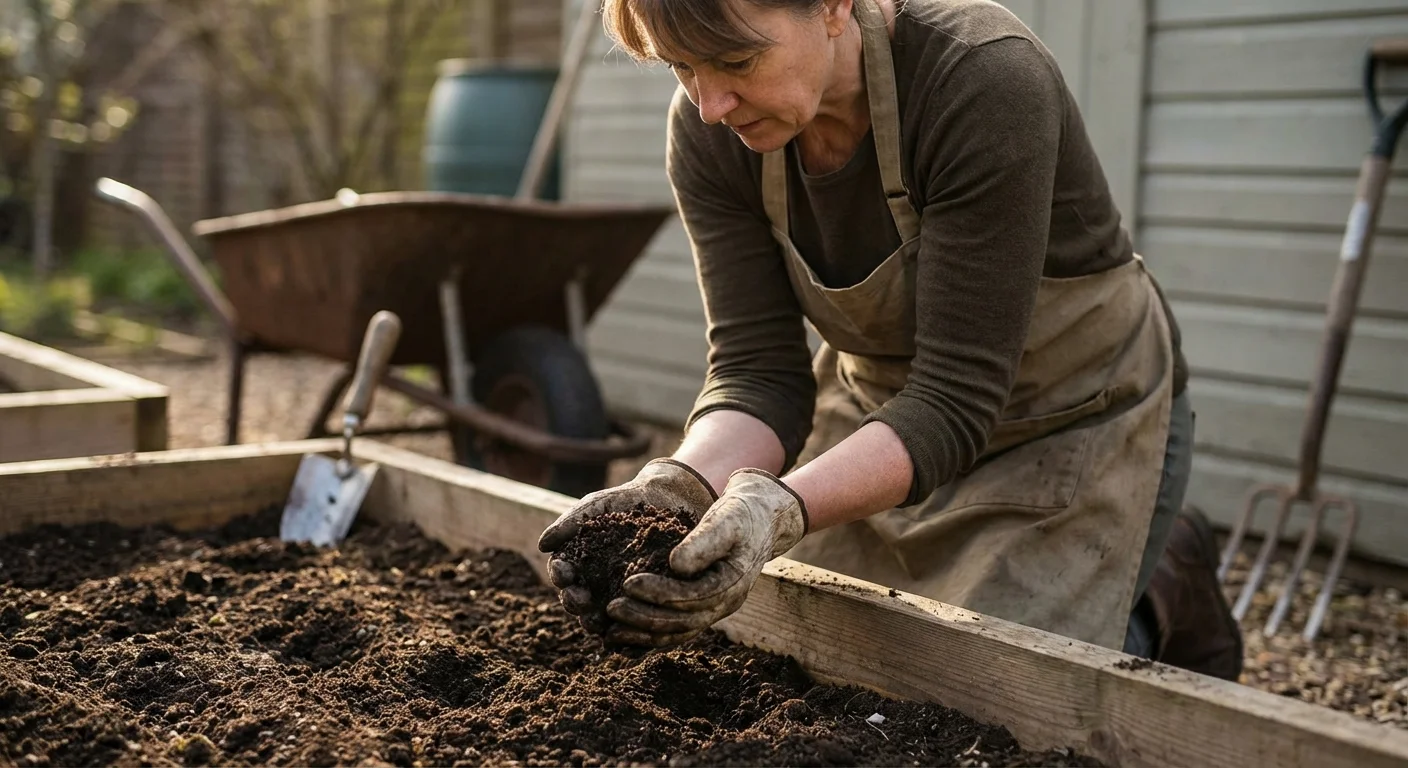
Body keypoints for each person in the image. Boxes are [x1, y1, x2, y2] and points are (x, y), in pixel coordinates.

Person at [537, 0, 1244, 681]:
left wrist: (782, 508)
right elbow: (758, 375)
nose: (710, 103)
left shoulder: (982, 78)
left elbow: (957, 397)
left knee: (1006, 693)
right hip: (883, 410)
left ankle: (1160, 585)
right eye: (681, 69)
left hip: (1074, 417)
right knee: (825, 657)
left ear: (836, 6)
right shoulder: (709, 132)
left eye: (735, 60)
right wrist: (677, 487)